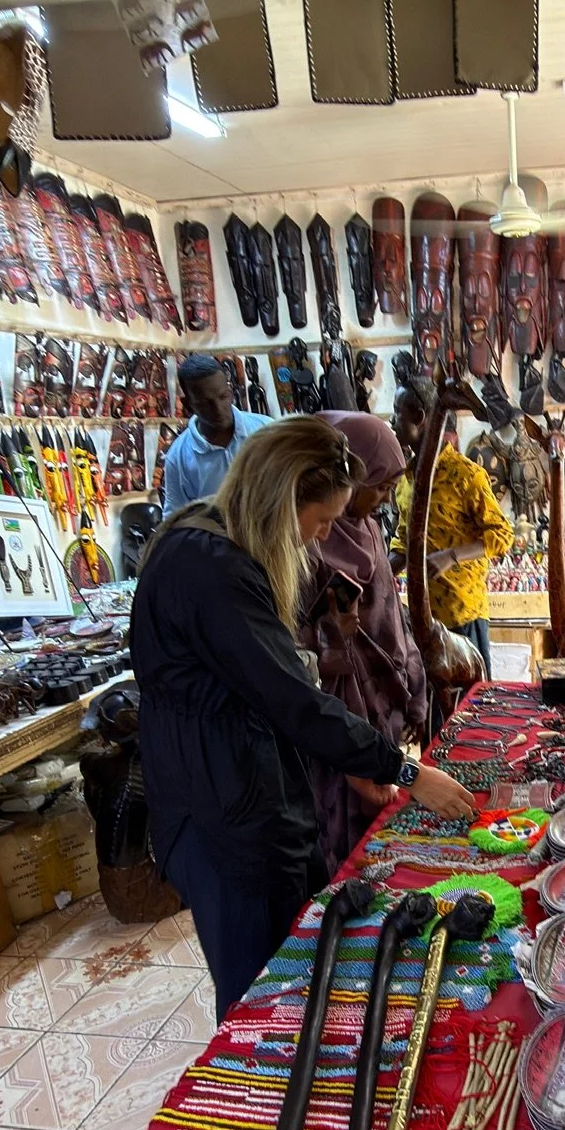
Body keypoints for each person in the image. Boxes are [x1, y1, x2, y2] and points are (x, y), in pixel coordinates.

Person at [131, 417, 474, 1019]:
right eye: (318, 522)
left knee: (298, 959)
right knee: (258, 989)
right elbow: (291, 698)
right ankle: (254, 1093)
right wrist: (408, 772)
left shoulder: (218, 543)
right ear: (280, 497)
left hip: (247, 787)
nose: (317, 540)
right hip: (219, 810)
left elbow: (272, 687)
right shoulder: (209, 566)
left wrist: (348, 760)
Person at [298, 410, 428, 875]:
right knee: (343, 822)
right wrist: (328, 642)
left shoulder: (368, 528)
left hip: (381, 695)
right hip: (334, 701)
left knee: (382, 813)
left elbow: (392, 614)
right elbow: (288, 640)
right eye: (380, 485)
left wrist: (413, 684)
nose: (383, 497)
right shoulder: (306, 539)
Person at [391, 409, 514, 676]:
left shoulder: (467, 475)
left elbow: (503, 535)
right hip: (422, 616)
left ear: (421, 417)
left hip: (462, 613)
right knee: (431, 707)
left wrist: (451, 556)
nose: (392, 420)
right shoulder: (405, 480)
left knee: (471, 701)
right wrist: (381, 573)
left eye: (399, 412)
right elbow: (403, 540)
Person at [160, 354, 270, 512]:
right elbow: (174, 518)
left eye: (223, 397)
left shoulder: (267, 430)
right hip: (217, 536)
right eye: (205, 403)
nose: (218, 409)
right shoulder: (178, 458)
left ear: (231, 393)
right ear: (188, 405)